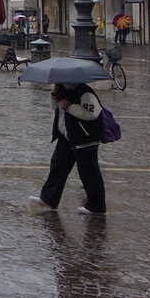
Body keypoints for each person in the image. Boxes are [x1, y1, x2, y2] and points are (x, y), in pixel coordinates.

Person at [30, 82, 106, 215]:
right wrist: (54, 96)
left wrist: (70, 106)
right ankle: (48, 198)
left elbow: (92, 113)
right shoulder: (63, 90)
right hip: (67, 137)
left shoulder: (84, 91)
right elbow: (57, 110)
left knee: (89, 172)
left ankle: (96, 206)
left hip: (85, 138)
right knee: (58, 165)